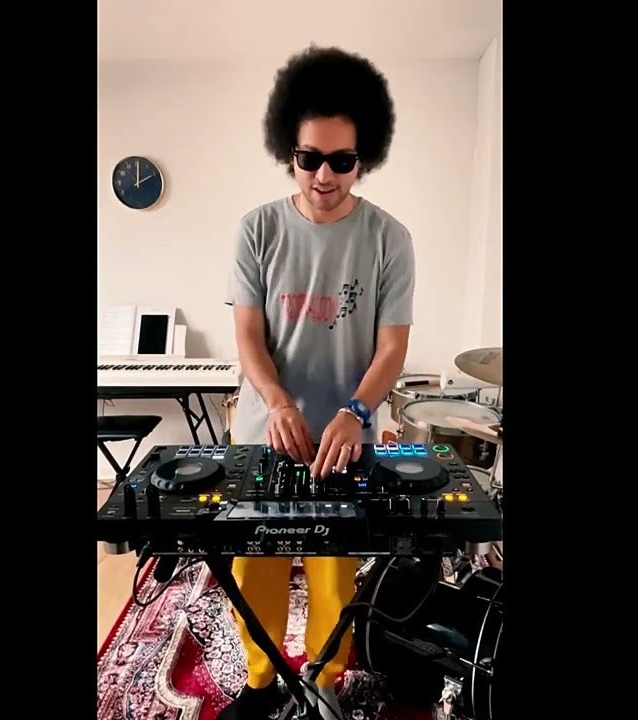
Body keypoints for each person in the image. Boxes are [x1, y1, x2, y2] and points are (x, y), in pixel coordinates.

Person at [221, 45, 416, 720]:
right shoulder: (257, 230)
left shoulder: (390, 238)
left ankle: (324, 680)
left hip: (345, 436)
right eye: (309, 158)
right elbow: (248, 337)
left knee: (334, 571)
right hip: (263, 431)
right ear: (289, 152)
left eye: (342, 159)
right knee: (255, 565)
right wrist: (276, 401)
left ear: (365, 157)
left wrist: (355, 411)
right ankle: (260, 682)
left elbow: (392, 347)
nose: (324, 175)